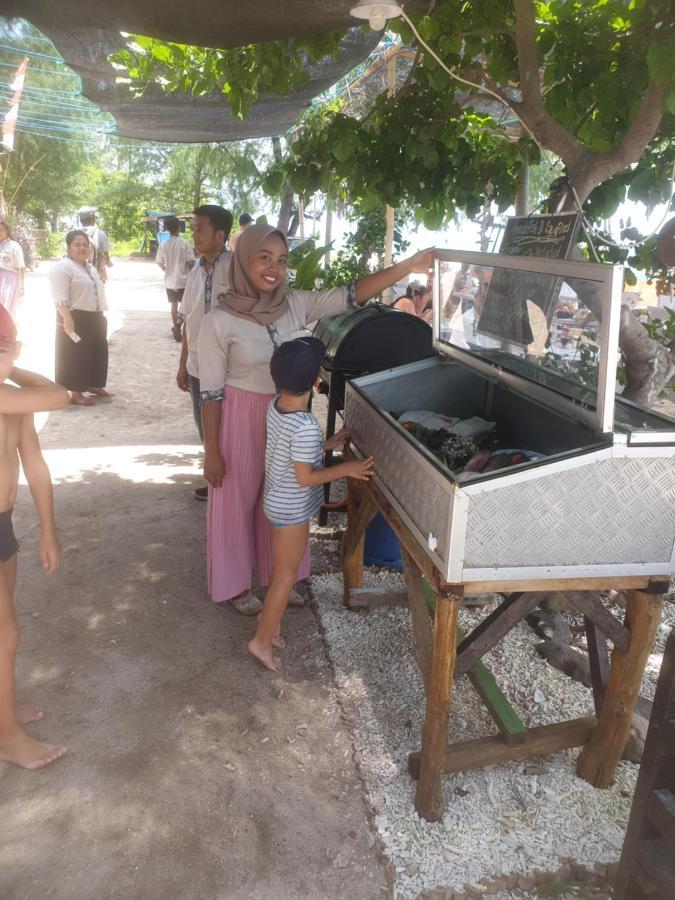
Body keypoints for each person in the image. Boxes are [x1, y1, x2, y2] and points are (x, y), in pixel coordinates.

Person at [197, 223, 432, 615]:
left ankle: (279, 576)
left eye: (282, 260)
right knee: (235, 500)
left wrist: (408, 265)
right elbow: (210, 393)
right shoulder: (217, 321)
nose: (274, 268)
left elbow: (352, 295)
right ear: (244, 261)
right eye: (264, 258)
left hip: (288, 414)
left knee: (285, 497)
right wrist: (212, 451)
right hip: (240, 415)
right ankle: (235, 584)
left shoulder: (295, 303)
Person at [247, 337, 373, 670]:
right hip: (292, 509)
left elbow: (292, 454)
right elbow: (305, 477)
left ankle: (269, 626)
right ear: (316, 382)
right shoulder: (304, 426)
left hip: (276, 500)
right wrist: (348, 468)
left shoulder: (275, 407)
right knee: (286, 578)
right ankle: (261, 642)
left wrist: (329, 442)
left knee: (280, 570)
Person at [0, 304, 69, 769]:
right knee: (6, 632)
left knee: (6, 632)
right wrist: (12, 364)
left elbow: (36, 466)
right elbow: (59, 394)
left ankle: (2, 709)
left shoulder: (12, 399)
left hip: (3, 526)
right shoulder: (9, 397)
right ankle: (6, 735)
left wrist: (49, 529)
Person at [176, 205, 233, 500]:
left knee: (229, 430)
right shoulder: (196, 270)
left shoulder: (237, 269)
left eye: (200, 229)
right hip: (198, 367)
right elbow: (188, 318)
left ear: (219, 235)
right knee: (205, 428)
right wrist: (183, 362)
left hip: (229, 368)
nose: (193, 235)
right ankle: (216, 483)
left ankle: (230, 486)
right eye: (193, 228)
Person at [49, 230, 112, 407]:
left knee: (98, 351)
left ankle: (94, 384)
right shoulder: (62, 267)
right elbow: (59, 296)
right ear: (69, 247)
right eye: (77, 244)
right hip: (74, 316)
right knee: (75, 354)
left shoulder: (89, 267)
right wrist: (67, 318)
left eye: (85, 244)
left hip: (95, 316)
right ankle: (75, 392)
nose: (82, 247)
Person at [156, 216, 195, 342]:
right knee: (186, 306)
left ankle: (175, 326)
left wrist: (167, 270)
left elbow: (159, 262)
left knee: (173, 305)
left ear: (167, 229)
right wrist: (188, 272)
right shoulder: (185, 243)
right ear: (179, 228)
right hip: (183, 280)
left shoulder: (163, 245)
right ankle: (180, 327)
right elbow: (190, 262)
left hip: (170, 281)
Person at [0, 220, 26, 319]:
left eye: (1, 230)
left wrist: (21, 287)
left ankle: (7, 332)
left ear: (7, 231)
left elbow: (20, 268)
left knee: (7, 308)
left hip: (10, 280)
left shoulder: (14, 246)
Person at [78, 209, 112, 284]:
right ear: (92, 219)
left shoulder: (73, 233)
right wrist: (108, 262)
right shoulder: (100, 234)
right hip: (96, 273)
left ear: (80, 220)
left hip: (77, 272)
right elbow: (105, 253)